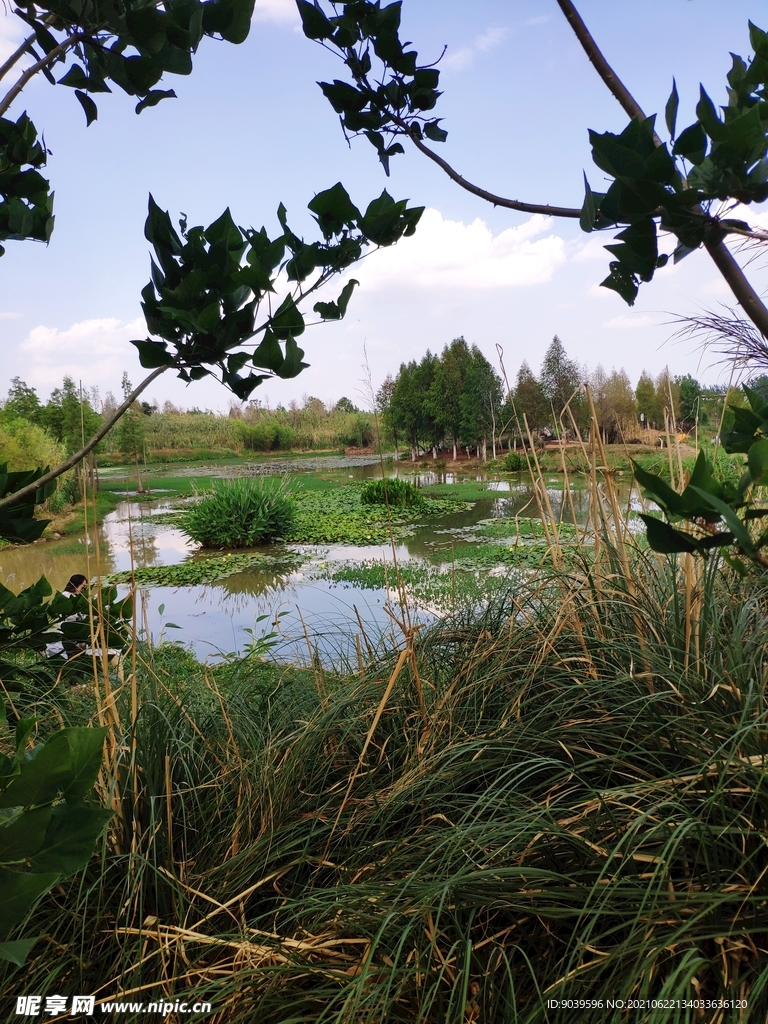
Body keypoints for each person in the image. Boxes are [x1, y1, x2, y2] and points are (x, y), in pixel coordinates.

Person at [45, 574, 89, 659]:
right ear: (75, 584)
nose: (83, 589)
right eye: (82, 587)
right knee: (75, 656)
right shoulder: (65, 596)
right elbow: (70, 617)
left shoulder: (77, 596)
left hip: (75, 632)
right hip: (68, 632)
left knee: (79, 657)